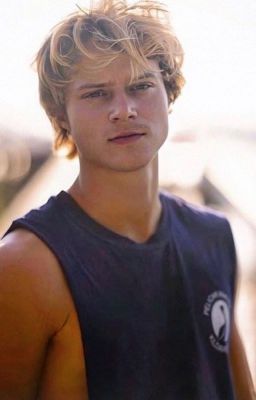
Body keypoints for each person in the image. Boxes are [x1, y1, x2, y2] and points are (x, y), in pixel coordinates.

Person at [0, 0, 255, 398]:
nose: (124, 110)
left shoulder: (213, 236)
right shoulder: (27, 264)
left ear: (169, 94)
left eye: (141, 86)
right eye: (97, 94)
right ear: (60, 114)